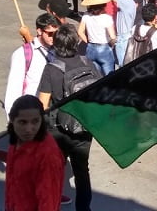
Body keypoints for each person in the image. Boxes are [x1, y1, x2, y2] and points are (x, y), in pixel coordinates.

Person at [39, 25, 102, 211]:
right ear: (76, 42)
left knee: (54, 169)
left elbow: (42, 104)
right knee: (82, 171)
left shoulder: (51, 69)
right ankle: (84, 208)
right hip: (83, 126)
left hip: (59, 128)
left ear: (56, 45)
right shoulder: (87, 62)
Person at [0, 95, 65, 211]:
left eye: (35, 121)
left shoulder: (48, 155)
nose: (29, 129)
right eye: (22, 122)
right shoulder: (18, 138)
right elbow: (19, 163)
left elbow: (49, 203)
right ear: (12, 120)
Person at [4, 13, 61, 118]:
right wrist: (12, 122)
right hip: (32, 112)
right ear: (39, 31)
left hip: (55, 111)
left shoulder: (60, 49)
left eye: (57, 33)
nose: (54, 37)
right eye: (50, 33)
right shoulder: (22, 54)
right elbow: (13, 90)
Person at [77, 0, 117, 75]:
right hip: (104, 48)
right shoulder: (106, 18)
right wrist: (112, 45)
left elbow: (80, 31)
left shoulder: (86, 15)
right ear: (104, 5)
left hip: (90, 48)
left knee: (96, 75)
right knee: (109, 76)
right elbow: (112, 36)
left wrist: (88, 41)